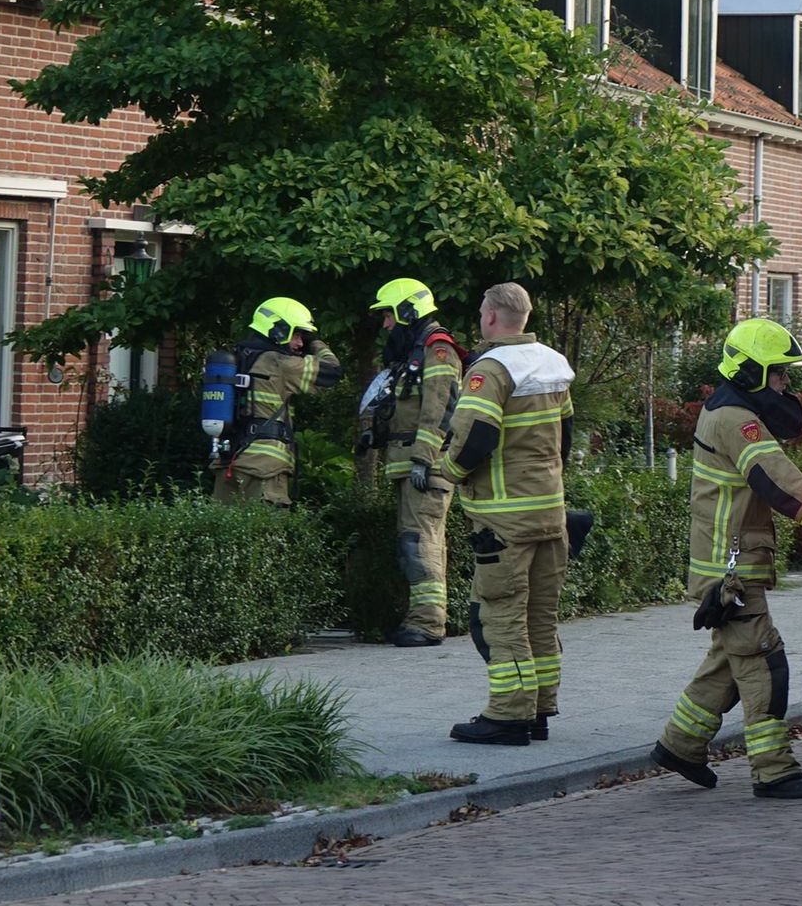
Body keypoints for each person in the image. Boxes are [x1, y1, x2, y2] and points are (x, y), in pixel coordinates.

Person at [650, 317, 802, 799]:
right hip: (731, 570)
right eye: (780, 375)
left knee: (730, 659)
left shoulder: (730, 407)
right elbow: (774, 477)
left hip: (728, 562)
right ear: (752, 373)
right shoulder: (733, 419)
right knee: (763, 660)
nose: (786, 384)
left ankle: (679, 744)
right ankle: (773, 769)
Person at [437, 282, 574, 746]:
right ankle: (539, 710)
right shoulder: (554, 364)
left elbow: (475, 438)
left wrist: (447, 471)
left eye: (481, 313)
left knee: (502, 616)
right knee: (541, 614)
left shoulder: (490, 369)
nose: (480, 320)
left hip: (502, 519)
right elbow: (565, 437)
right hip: (549, 512)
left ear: (492, 317)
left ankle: (508, 716)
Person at [364, 278, 466, 648]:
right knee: (416, 539)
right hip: (408, 462)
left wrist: (423, 458)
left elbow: (442, 407)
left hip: (424, 465)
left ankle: (427, 622)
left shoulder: (437, 350)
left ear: (409, 311)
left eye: (390, 315)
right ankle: (420, 617)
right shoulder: (414, 352)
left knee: (420, 540)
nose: (386, 324)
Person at [215, 296, 342, 507]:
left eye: (303, 337)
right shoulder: (281, 363)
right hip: (265, 468)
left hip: (228, 461)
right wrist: (315, 341)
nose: (300, 343)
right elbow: (332, 371)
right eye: (297, 334)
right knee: (266, 535)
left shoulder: (237, 358)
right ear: (279, 330)